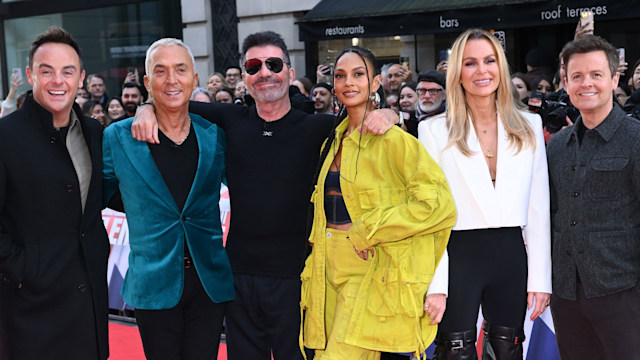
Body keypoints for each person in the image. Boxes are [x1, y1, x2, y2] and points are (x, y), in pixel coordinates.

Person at [131, 30, 399, 360]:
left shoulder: (319, 128)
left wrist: (391, 114)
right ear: (244, 77)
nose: (264, 73)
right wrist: (145, 106)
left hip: (298, 279)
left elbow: (363, 127)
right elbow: (173, 97)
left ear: (289, 71)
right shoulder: (229, 120)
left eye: (273, 64)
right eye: (254, 66)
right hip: (239, 280)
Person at [301, 45, 456, 360]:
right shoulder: (331, 141)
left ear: (375, 83)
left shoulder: (394, 140)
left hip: (369, 266)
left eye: (358, 74)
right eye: (341, 76)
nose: (349, 82)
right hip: (325, 271)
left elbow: (438, 204)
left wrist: (370, 230)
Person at [418, 28, 551, 359]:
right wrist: (435, 285)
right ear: (457, 73)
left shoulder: (529, 125)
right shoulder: (432, 131)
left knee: (507, 351)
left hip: (510, 258)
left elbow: (539, 208)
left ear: (501, 67)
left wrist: (540, 279)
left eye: (490, 61)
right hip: (456, 257)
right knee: (454, 352)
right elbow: (429, 215)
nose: (482, 71)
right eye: (470, 63)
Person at [103, 38, 233, 360]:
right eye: (160, 71)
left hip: (208, 283)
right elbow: (96, 195)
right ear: (147, 82)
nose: (172, 79)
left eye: (180, 69)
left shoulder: (215, 135)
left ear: (195, 78)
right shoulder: (118, 138)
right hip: (152, 283)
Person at [0, 26, 110, 360]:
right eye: (47, 71)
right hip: (30, 308)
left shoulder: (94, 131)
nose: (58, 81)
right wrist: (22, 270)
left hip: (88, 303)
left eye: (67, 72)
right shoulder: (6, 136)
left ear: (81, 78)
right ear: (32, 75)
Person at [547, 34, 640, 360]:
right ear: (566, 83)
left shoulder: (635, 139)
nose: (586, 83)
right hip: (567, 297)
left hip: (624, 295)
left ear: (615, 79)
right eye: (577, 76)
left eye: (596, 74)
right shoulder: (556, 147)